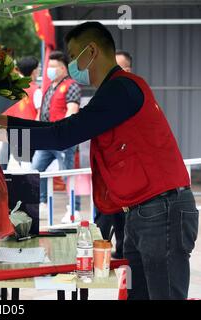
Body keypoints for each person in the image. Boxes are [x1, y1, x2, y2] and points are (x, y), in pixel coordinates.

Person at [0, 22, 198, 300]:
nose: (71, 64)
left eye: (73, 56)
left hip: (160, 210)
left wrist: (0, 129)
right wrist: (1, 121)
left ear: (92, 51)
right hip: (142, 211)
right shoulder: (114, 91)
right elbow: (64, 128)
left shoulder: (121, 89)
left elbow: (64, 134)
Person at [31, 51, 81, 220]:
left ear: (63, 68)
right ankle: (42, 203)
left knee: (67, 174)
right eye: (48, 67)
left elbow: (72, 111)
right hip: (46, 139)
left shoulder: (71, 86)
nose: (49, 70)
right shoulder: (50, 87)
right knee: (36, 169)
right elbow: (43, 112)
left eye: (53, 67)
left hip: (62, 139)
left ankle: (74, 209)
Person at [94, 49, 133, 259]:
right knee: (107, 213)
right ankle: (103, 253)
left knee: (122, 215)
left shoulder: (134, 94)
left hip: (125, 169)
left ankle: (121, 251)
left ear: (126, 69)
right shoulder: (105, 94)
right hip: (106, 169)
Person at [0, 56, 42, 169]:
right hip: (27, 133)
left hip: (10, 128)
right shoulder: (36, 90)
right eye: (38, 68)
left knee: (8, 160)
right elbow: (39, 114)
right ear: (34, 71)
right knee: (27, 165)